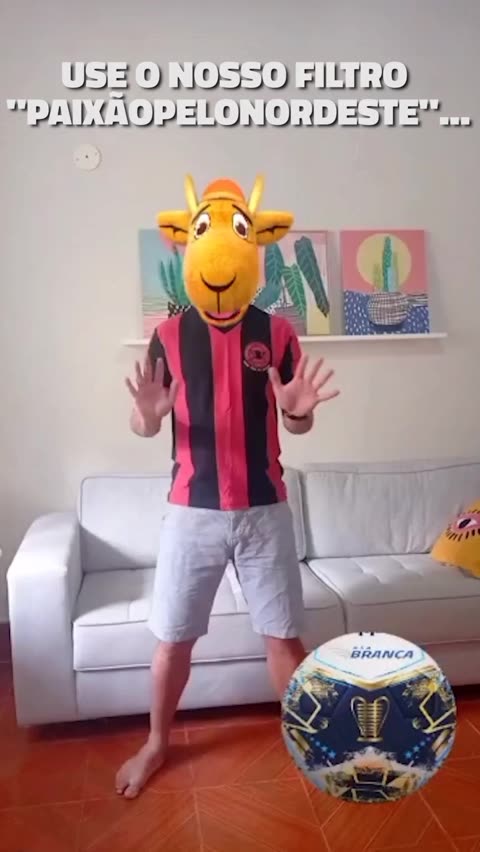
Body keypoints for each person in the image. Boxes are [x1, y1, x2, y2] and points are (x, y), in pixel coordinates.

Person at [116, 175, 339, 798]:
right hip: (192, 512)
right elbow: (143, 423)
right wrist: (147, 417)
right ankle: (156, 743)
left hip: (266, 510)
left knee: (284, 639)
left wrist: (298, 413)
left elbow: (297, 419)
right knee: (172, 641)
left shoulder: (278, 332)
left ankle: (312, 745)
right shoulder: (167, 336)